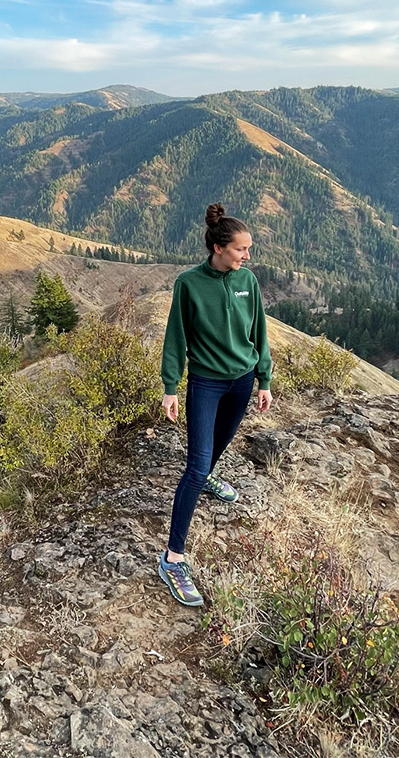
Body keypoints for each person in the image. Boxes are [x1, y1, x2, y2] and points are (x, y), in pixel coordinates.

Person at [158, 203, 273, 606]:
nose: (247, 256)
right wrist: (170, 386)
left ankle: (208, 475)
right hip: (206, 383)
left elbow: (260, 329)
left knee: (215, 450)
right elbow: (176, 336)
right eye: (242, 249)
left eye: (249, 249)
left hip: (242, 381)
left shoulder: (248, 282)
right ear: (220, 247)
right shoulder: (189, 283)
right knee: (195, 465)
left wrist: (264, 379)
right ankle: (173, 559)